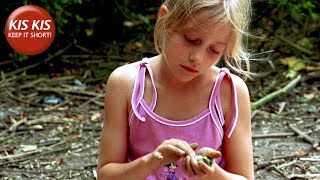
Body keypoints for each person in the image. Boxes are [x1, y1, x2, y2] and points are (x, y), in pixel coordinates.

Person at [97, 0, 254, 179]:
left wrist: (210, 172)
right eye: (191, 40)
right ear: (164, 19)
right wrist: (151, 162)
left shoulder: (229, 91)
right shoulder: (126, 85)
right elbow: (106, 175)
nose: (197, 58)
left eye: (214, 50)